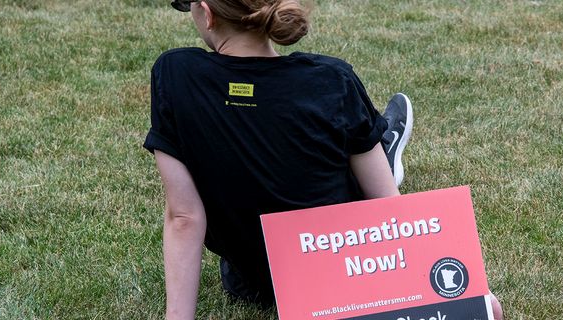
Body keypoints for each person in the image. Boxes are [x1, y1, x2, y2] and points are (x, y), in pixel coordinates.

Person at [143, 0, 503, 319]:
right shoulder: (330, 80)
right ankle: (380, 150)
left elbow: (184, 216)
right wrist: (460, 297)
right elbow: (391, 215)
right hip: (344, 274)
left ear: (207, 15)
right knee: (369, 174)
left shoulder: (174, 76)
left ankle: (376, 147)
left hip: (252, 280)